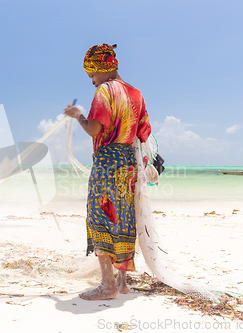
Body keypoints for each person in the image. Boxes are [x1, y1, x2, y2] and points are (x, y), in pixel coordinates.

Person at [64, 44, 151, 300]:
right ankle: (123, 283)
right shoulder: (136, 94)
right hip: (128, 163)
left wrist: (78, 116)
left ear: (101, 68)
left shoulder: (105, 90)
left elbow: (94, 129)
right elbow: (143, 132)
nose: (92, 81)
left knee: (100, 216)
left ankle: (107, 285)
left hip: (107, 162)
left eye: (92, 74)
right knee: (123, 217)